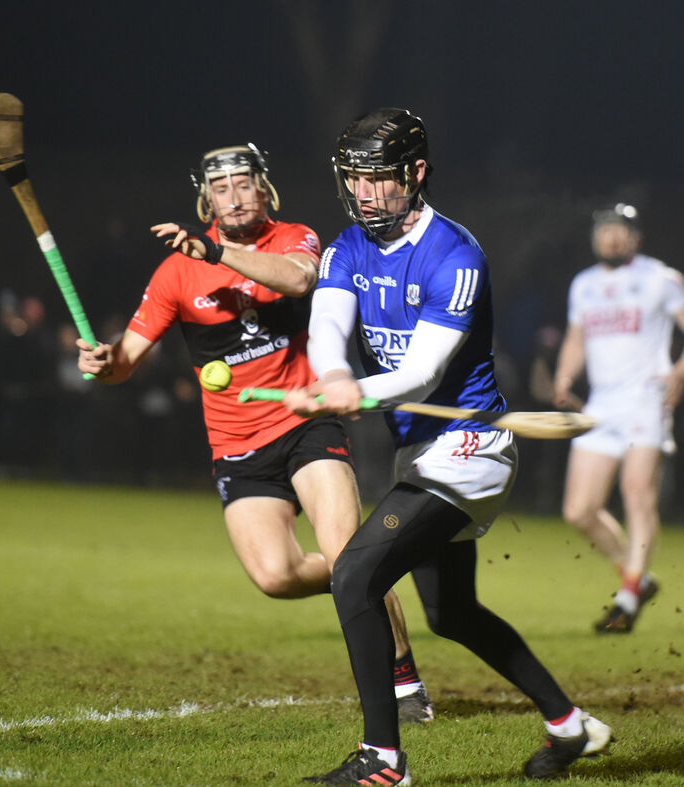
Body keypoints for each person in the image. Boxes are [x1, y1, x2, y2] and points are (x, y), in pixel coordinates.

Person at [285, 108, 610, 785]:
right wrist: (336, 375)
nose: (366, 192)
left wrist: (362, 390)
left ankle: (383, 761)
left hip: (471, 447)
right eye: (356, 178)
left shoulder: (456, 256)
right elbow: (326, 331)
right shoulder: (345, 250)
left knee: (353, 574)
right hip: (418, 453)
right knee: (451, 611)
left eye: (379, 178)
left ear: (417, 173)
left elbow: (424, 371)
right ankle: (570, 725)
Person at [75, 143, 433, 723]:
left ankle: (401, 679)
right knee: (276, 576)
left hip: (308, 422)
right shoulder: (176, 271)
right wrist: (104, 362)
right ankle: (368, 572)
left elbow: (297, 281)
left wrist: (219, 251)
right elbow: (126, 362)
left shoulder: (294, 237)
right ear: (206, 199)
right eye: (222, 189)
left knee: (346, 551)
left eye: (245, 184)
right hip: (238, 445)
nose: (235, 197)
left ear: (264, 189)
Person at [551, 203, 684, 634]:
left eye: (620, 231)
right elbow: (576, 338)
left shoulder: (660, 279)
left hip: (647, 400)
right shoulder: (583, 286)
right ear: (594, 238)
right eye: (605, 230)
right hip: (601, 405)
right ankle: (638, 577)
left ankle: (626, 598)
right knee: (579, 510)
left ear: (636, 238)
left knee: (637, 491)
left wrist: (681, 372)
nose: (611, 238)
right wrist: (565, 377)